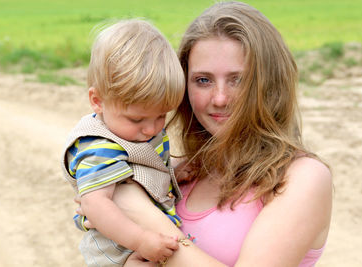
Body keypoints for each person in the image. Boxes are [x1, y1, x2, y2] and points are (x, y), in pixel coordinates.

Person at [77, 1, 333, 266]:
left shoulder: (303, 178)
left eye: (238, 80)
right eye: (203, 80)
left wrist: (138, 211)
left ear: (269, 85)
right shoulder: (177, 173)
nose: (220, 98)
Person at [61, 19, 186, 266]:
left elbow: (144, 167)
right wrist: (140, 241)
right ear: (97, 101)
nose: (151, 128)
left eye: (161, 115)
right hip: (119, 250)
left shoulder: (136, 131)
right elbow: (96, 206)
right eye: (137, 118)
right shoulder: (98, 147)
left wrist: (174, 171)